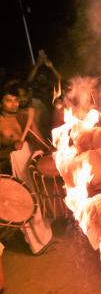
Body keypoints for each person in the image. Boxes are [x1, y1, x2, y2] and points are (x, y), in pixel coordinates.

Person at [0, 83, 53, 254]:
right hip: (12, 166)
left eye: (16, 100)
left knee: (37, 197)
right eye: (8, 100)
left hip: (28, 160)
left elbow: (36, 136)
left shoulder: (21, 116)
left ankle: (45, 237)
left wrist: (49, 149)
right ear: (0, 102)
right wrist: (9, 146)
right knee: (24, 203)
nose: (13, 104)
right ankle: (35, 245)